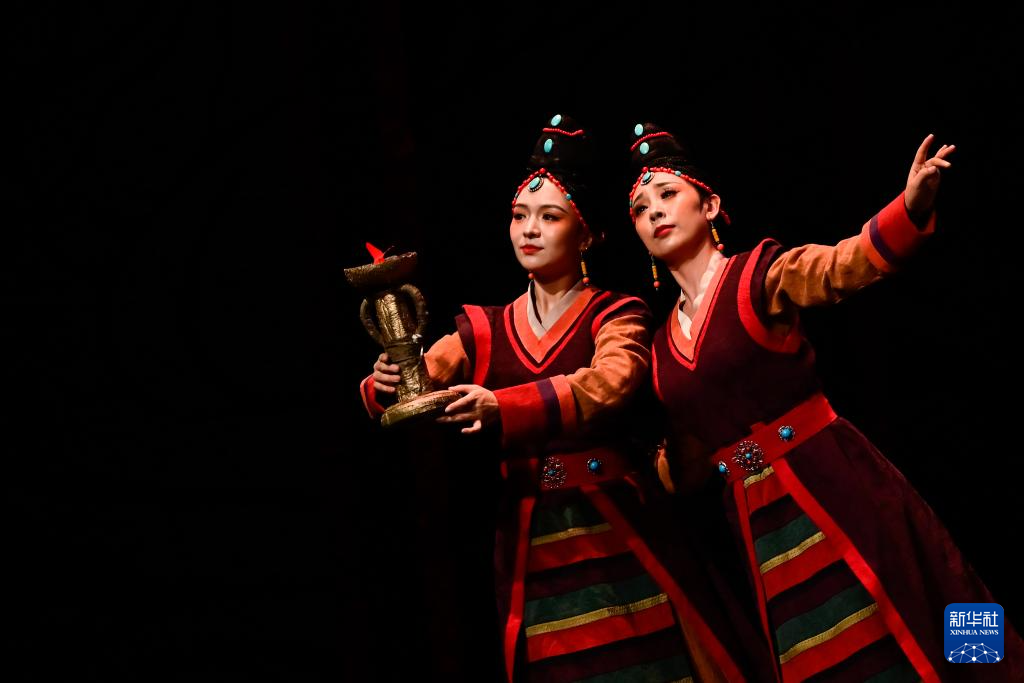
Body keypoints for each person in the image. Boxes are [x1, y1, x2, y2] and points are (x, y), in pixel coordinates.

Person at [360, 115, 772, 682]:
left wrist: (502, 407)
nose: (529, 229)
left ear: (586, 236)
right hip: (535, 544)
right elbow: (415, 383)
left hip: (621, 531)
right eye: (519, 216)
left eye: (549, 217)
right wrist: (386, 381)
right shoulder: (484, 329)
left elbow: (612, 382)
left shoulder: (616, 312)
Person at [626, 122, 1023, 682]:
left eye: (668, 194)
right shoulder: (660, 348)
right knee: (818, 656)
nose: (655, 212)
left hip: (835, 482)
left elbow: (842, 265)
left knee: (931, 598)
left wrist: (909, 208)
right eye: (641, 209)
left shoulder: (761, 275)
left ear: (710, 205)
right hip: (763, 530)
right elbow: (686, 459)